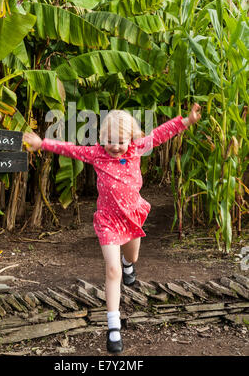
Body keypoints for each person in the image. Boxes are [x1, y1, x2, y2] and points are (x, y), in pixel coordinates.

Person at [23, 103, 201, 353]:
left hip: (132, 216)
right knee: (112, 269)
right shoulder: (97, 154)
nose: (115, 146)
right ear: (101, 138)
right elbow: (71, 149)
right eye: (109, 140)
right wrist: (44, 144)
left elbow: (160, 134)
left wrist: (186, 121)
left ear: (131, 138)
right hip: (108, 220)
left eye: (120, 141)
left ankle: (130, 265)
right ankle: (113, 327)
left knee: (131, 257)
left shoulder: (138, 149)